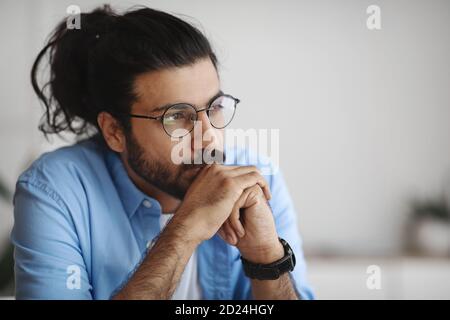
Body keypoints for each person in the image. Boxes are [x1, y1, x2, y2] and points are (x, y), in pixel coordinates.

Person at [11, 5, 313, 300]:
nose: (208, 138)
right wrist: (185, 228)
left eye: (215, 107)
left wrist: (266, 258)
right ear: (115, 131)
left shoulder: (257, 178)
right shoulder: (55, 190)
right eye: (176, 116)